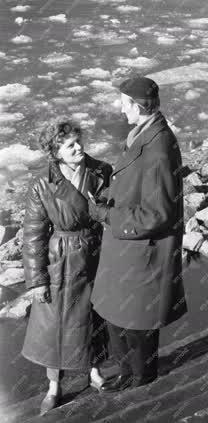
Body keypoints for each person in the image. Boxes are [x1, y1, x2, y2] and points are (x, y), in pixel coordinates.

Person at [89, 76, 187, 391]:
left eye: (123, 102)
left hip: (141, 251)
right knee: (120, 319)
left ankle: (141, 382)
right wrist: (110, 193)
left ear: (137, 105)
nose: (120, 107)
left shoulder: (158, 146)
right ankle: (128, 375)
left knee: (136, 324)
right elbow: (136, 185)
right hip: (130, 249)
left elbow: (158, 213)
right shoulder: (143, 134)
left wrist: (106, 213)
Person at [22, 119, 111, 415]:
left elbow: (115, 208)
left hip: (97, 252)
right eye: (70, 144)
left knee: (95, 315)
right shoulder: (43, 184)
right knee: (56, 325)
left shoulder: (100, 171)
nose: (79, 147)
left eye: (79, 141)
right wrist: (37, 280)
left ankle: (95, 371)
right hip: (61, 260)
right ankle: (54, 386)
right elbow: (33, 235)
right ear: (55, 152)